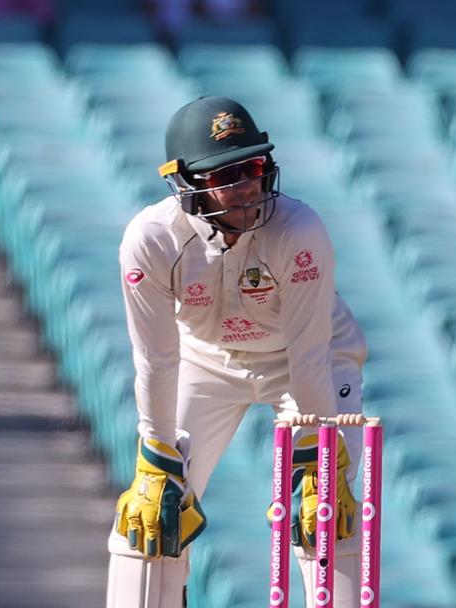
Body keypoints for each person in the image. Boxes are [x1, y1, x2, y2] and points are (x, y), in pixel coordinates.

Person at [106, 97, 369, 608]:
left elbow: (309, 352)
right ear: (185, 183)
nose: (247, 186)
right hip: (206, 360)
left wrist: (320, 462)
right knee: (146, 518)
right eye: (226, 175)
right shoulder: (151, 240)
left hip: (306, 362)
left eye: (252, 167)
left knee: (324, 518)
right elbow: (157, 359)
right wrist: (156, 460)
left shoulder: (298, 229)